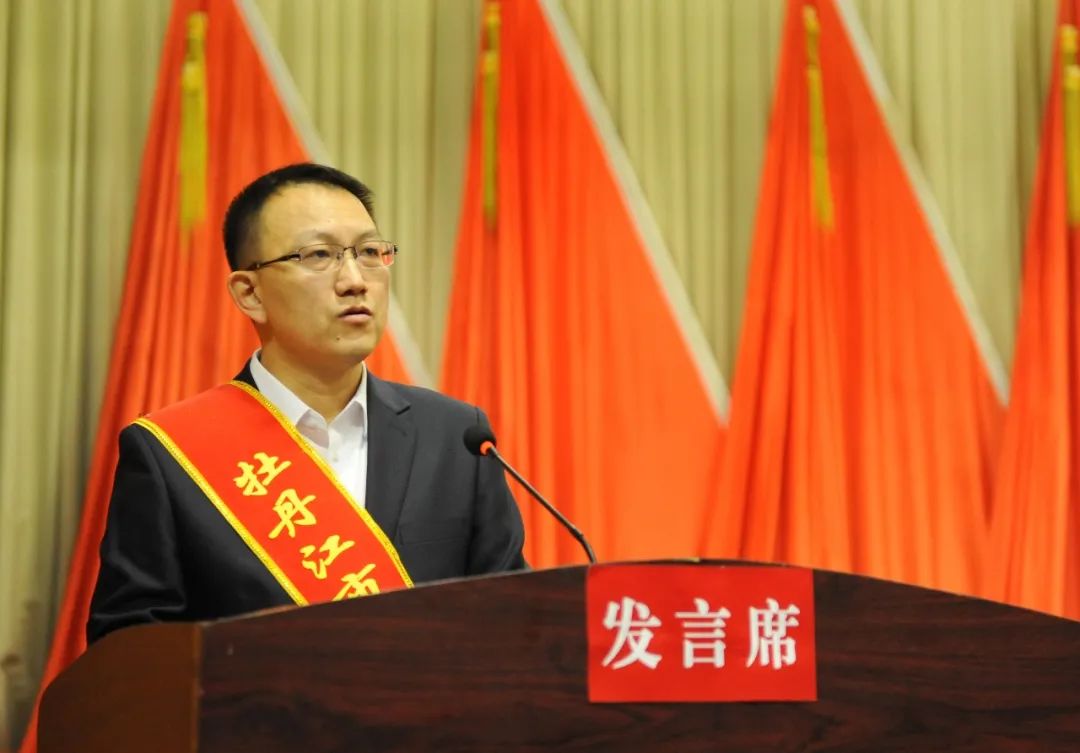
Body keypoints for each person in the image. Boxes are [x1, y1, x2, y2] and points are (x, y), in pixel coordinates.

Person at [87, 163, 526, 643]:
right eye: (319, 255)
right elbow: (130, 653)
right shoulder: (174, 454)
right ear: (249, 294)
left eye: (369, 252)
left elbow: (512, 623)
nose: (355, 280)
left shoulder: (456, 437)